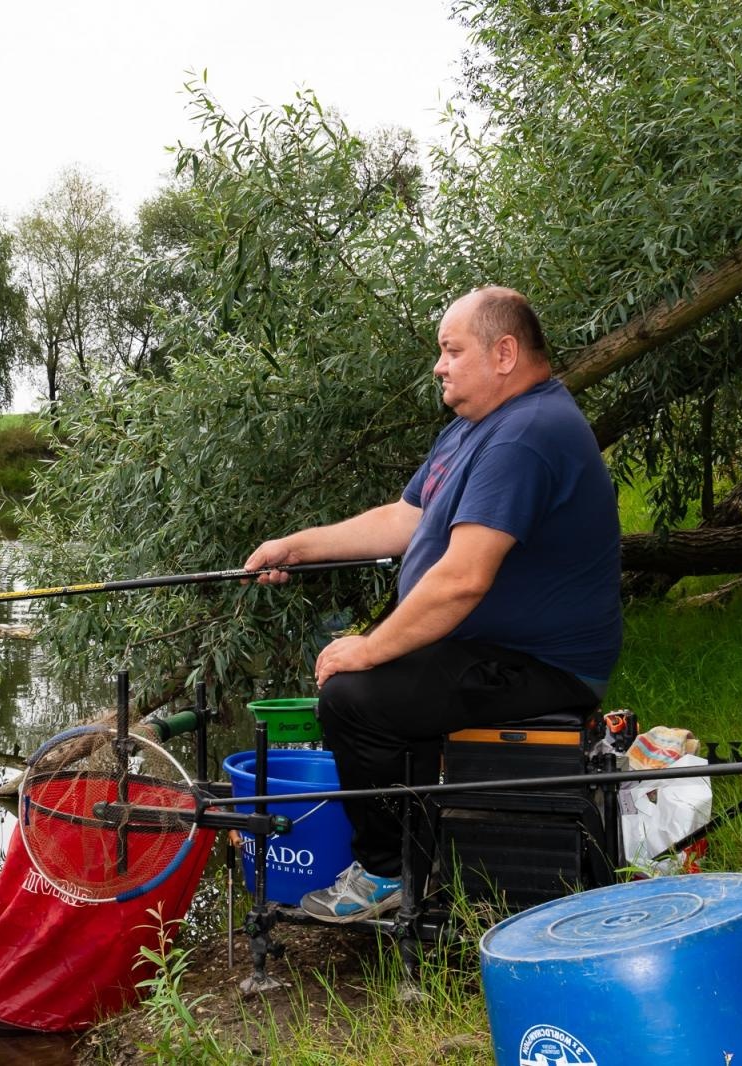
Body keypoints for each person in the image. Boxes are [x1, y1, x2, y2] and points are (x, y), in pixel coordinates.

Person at [243, 286, 622, 922]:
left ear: (503, 354)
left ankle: (390, 872)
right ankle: (424, 848)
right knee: (374, 685)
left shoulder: (526, 434)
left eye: (451, 351)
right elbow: (404, 519)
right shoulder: (473, 428)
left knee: (353, 700)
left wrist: (368, 648)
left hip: (542, 665)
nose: (439, 366)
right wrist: (297, 547)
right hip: (488, 649)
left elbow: (462, 580)